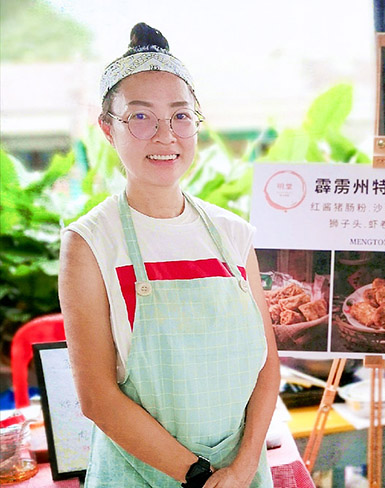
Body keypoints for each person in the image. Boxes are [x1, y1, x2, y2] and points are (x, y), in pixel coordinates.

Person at [59, 23, 280, 488]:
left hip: (240, 473)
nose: (166, 136)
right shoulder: (90, 243)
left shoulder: (234, 234)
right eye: (141, 117)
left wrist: (241, 468)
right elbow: (97, 396)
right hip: (143, 474)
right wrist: (199, 476)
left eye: (181, 116)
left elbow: (267, 364)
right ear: (107, 129)